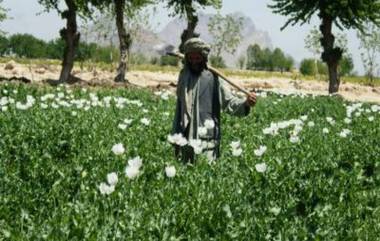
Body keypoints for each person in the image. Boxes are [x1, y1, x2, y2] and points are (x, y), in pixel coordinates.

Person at [171, 37, 256, 163]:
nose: (194, 62)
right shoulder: (184, 75)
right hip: (185, 138)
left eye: (197, 58)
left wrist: (246, 103)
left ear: (204, 58)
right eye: (191, 58)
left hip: (207, 141)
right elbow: (180, 108)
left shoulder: (214, 79)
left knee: (205, 175)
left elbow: (229, 102)